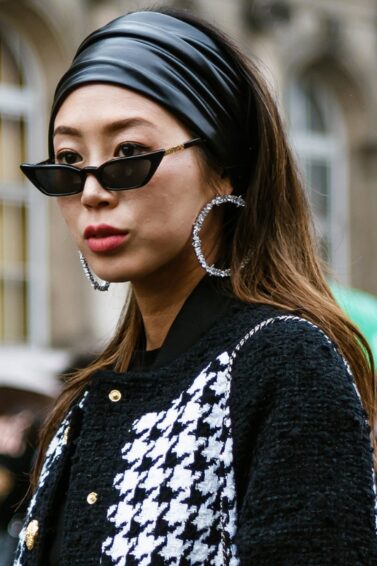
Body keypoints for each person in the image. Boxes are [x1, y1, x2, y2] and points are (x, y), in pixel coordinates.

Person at [14, 7, 377, 565]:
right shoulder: (85, 400)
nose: (91, 191)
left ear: (226, 165)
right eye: (67, 160)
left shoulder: (282, 360)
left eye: (128, 154)